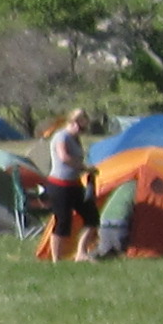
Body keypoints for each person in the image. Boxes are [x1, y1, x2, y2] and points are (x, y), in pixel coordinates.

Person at [35, 108, 94, 262]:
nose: (82, 130)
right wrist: (84, 167)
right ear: (74, 123)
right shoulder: (61, 136)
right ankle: (56, 259)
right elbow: (64, 157)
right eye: (81, 126)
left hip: (74, 184)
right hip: (59, 185)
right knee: (62, 222)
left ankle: (81, 253)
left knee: (92, 218)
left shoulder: (75, 138)